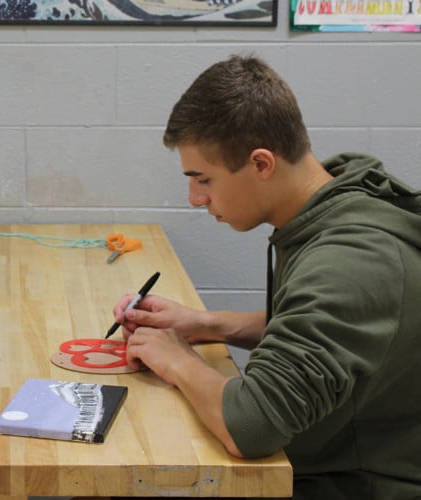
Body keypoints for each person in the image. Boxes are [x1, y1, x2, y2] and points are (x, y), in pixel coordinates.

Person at [111, 54, 421, 500]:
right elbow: (317, 324)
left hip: (355, 482)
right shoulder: (336, 202)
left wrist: (177, 359)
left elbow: (249, 427)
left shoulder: (349, 261)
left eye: (203, 179)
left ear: (261, 163)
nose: (195, 198)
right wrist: (206, 325)